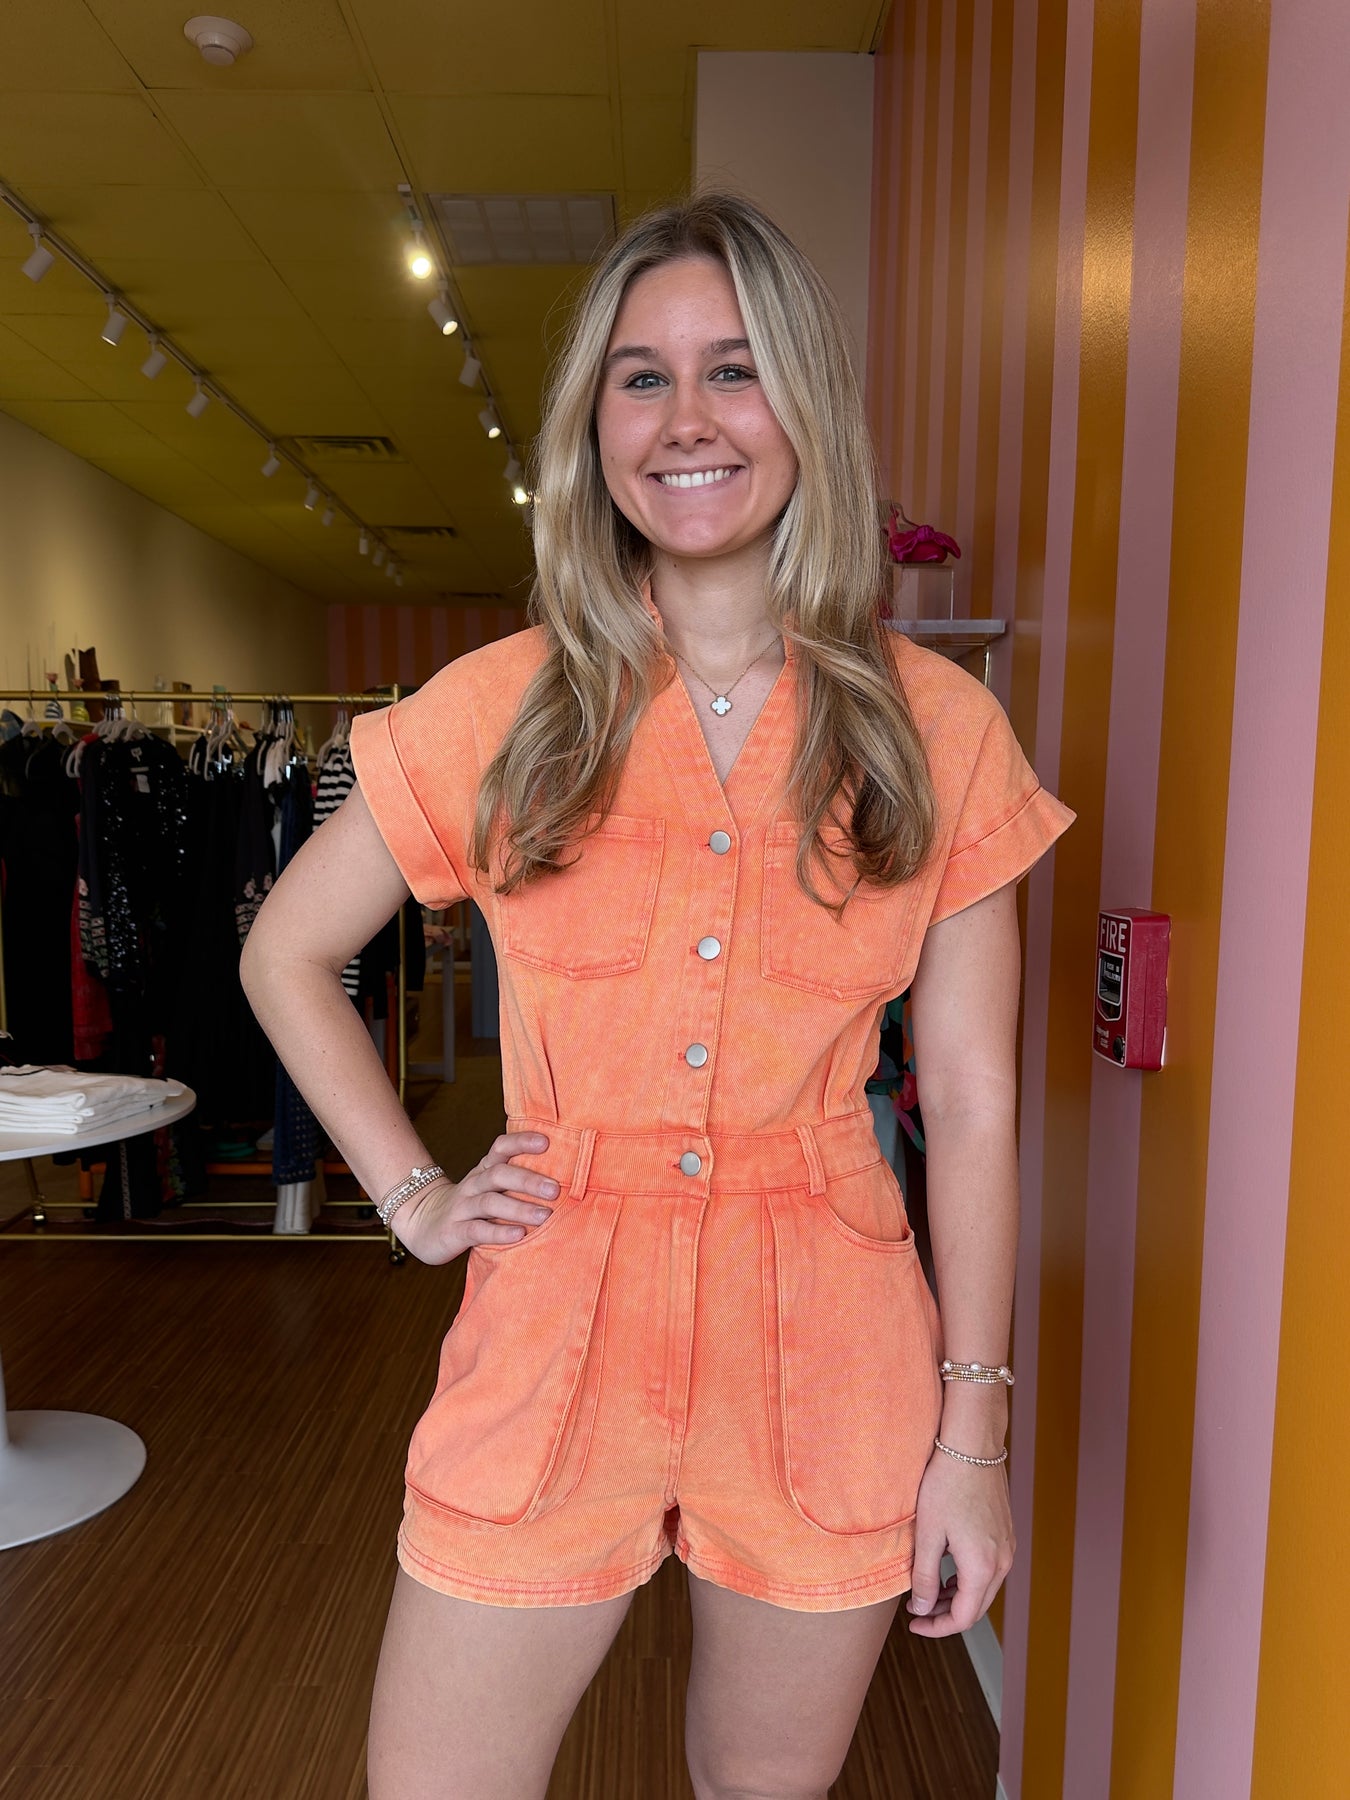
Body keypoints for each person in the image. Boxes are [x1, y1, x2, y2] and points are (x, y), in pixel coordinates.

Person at [240, 189, 1075, 1800]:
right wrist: (411, 1196)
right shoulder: (500, 708)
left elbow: (972, 1103)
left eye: (733, 369)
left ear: (804, 404)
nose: (686, 418)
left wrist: (971, 1441)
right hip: (552, 1322)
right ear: (595, 426)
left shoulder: (938, 729)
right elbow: (284, 952)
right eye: (642, 377)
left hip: (827, 1344)